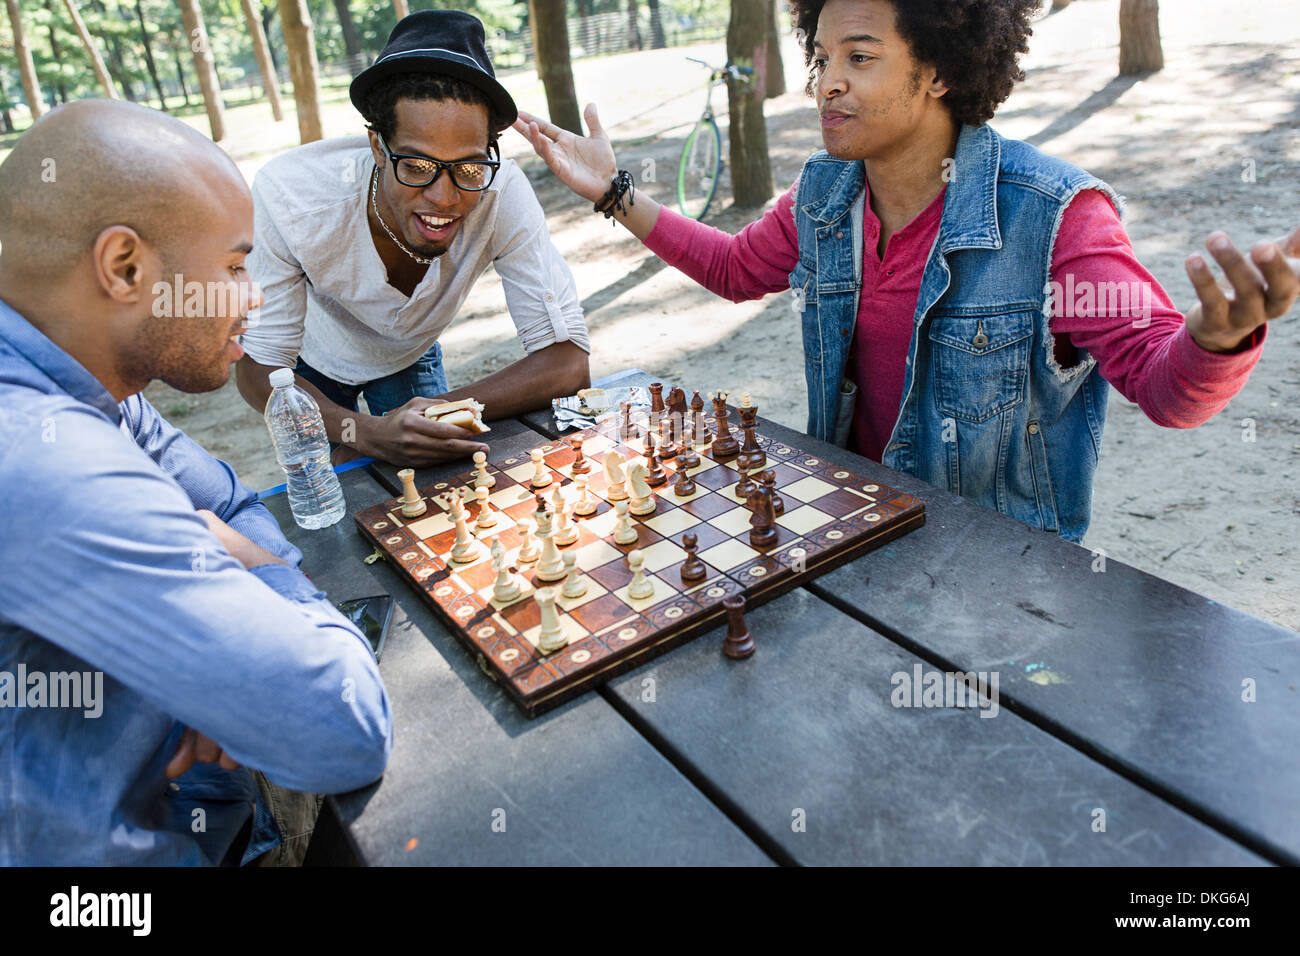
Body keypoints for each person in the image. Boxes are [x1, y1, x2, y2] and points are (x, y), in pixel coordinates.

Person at [515, 0, 1300, 542]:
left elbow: (1165, 387)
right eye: (822, 56)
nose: (827, 81)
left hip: (1004, 570)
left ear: (940, 72)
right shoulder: (826, 193)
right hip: (855, 527)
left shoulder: (1053, 218)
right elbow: (735, 267)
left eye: (860, 57)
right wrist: (616, 194)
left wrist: (1219, 341)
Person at [0, 99, 393, 865]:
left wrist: (226, 663)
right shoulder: (44, 461)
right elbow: (341, 725)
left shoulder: (90, 386)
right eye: (237, 267)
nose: (254, 297)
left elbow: (231, 507)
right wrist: (258, 644)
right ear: (125, 268)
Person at [236, 10, 591, 467]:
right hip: (309, 367)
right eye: (418, 166)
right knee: (337, 499)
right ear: (377, 148)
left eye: (467, 166)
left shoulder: (501, 190)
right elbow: (259, 368)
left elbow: (566, 363)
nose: (443, 197)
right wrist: (360, 431)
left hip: (409, 352)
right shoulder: (291, 195)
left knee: (434, 484)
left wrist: (435, 415)